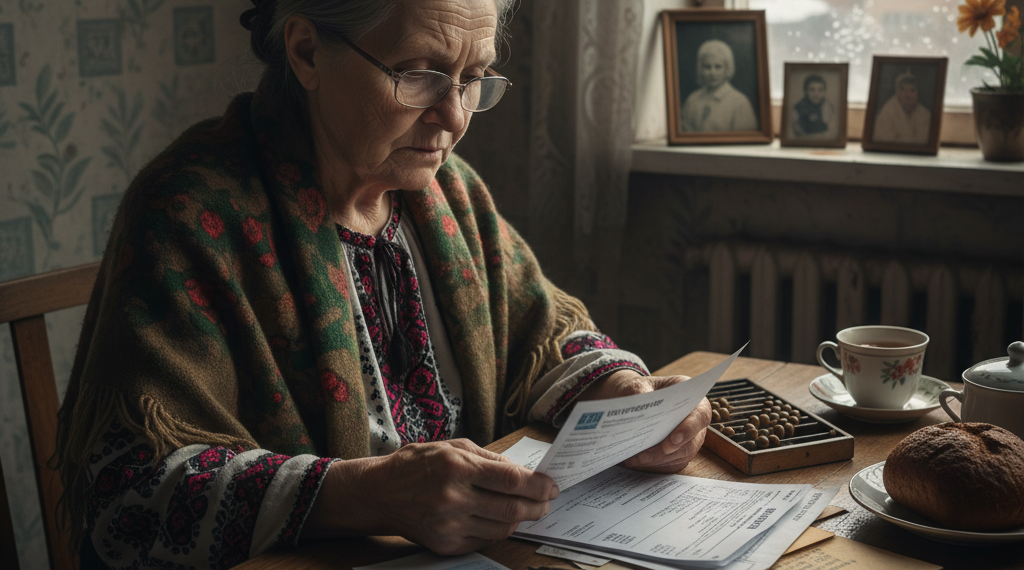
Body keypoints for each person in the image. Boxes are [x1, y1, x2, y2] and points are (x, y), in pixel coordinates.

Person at [54, 0, 713, 568]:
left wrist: (628, 397)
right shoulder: (192, 212)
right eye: (421, 74)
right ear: (307, 51)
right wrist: (369, 493)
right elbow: (128, 495)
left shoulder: (449, 193)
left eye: (475, 78)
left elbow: (543, 335)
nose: (453, 118)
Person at [680, 39, 758, 133]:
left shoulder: (740, 103)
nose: (712, 73)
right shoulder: (692, 100)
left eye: (718, 67)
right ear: (700, 69)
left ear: (727, 69)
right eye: (707, 67)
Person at [872, 71, 931, 145]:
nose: (908, 94)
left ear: (917, 93)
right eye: (903, 90)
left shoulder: (924, 114)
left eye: (912, 90)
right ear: (897, 93)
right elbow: (883, 139)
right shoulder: (888, 112)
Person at [791, 74, 836, 138]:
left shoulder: (826, 106)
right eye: (812, 90)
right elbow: (796, 127)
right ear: (806, 91)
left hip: (821, 137)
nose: (816, 94)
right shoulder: (799, 107)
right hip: (805, 138)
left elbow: (829, 125)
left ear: (824, 92)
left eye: (820, 90)